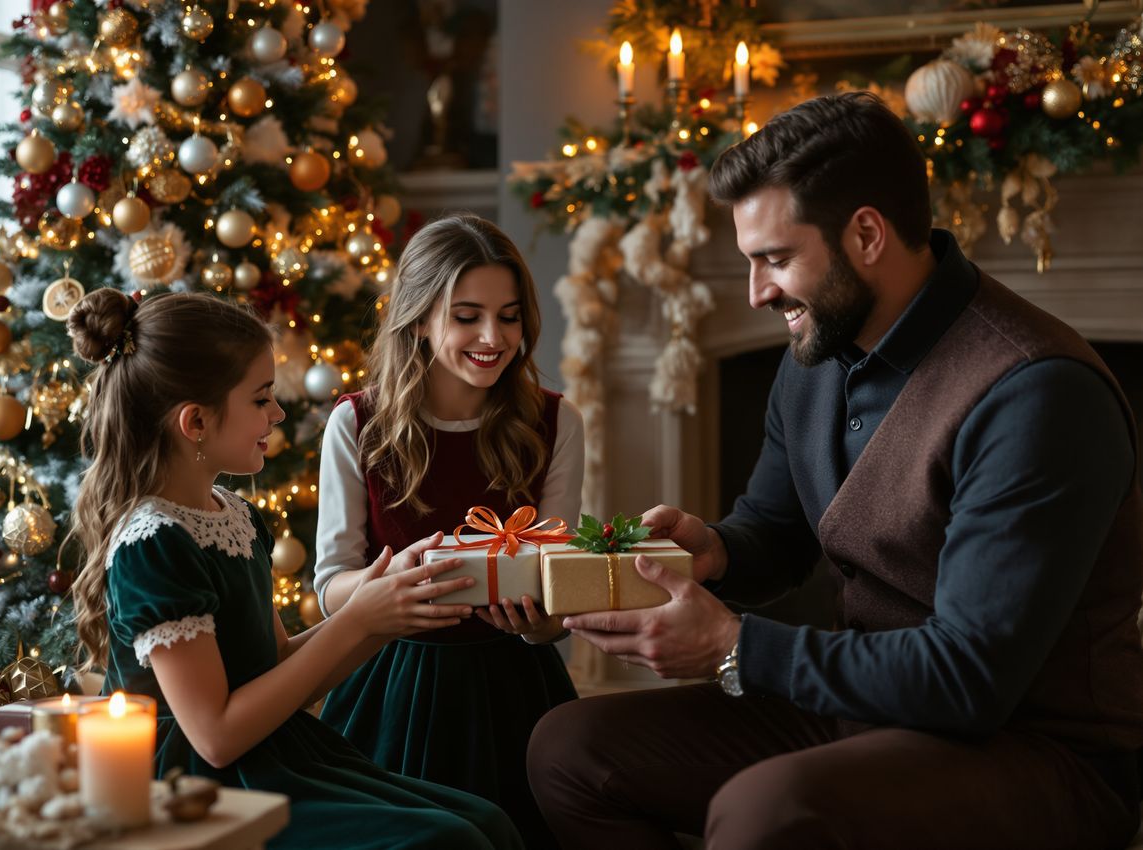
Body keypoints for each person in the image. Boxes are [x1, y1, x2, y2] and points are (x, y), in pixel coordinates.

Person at [527, 91, 1143, 850]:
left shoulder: (1037, 393)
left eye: (776, 259)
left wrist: (733, 648)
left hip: (1034, 750)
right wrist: (713, 551)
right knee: (568, 750)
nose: (757, 293)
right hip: (861, 707)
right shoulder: (815, 354)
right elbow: (774, 530)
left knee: (768, 809)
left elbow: (970, 680)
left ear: (866, 235)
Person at [64, 288, 522, 850]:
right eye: (261, 398)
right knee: (448, 841)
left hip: (271, 751)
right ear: (196, 421)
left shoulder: (235, 516)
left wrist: (385, 610)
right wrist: (357, 620)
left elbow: (277, 665)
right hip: (190, 783)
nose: (278, 413)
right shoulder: (154, 544)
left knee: (488, 821)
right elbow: (215, 736)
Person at [314, 213, 585, 848]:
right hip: (389, 685)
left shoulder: (557, 423)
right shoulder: (356, 425)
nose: (494, 337)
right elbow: (330, 588)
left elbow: (559, 593)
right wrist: (394, 583)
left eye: (509, 316)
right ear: (418, 318)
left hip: (516, 686)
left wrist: (540, 624)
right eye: (467, 316)